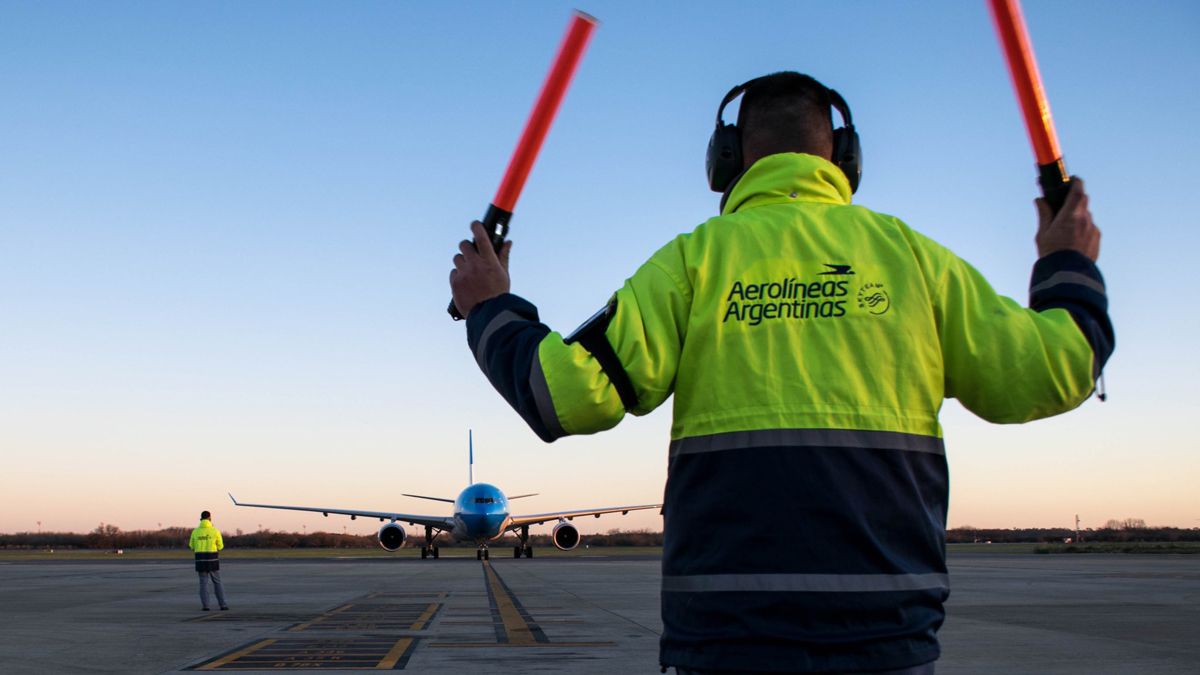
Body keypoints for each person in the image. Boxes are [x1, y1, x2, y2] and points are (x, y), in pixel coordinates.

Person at [449, 72, 1112, 674]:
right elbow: (1057, 368)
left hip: (728, 638)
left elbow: (563, 395)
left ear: (727, 159)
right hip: (885, 639)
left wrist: (492, 309)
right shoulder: (914, 262)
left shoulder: (694, 263)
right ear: (844, 158)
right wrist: (1067, 264)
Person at [189, 510, 228, 612]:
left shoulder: (195, 531)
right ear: (210, 518)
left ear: (201, 518)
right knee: (217, 582)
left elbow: (191, 546)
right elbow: (221, 546)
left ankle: (205, 606)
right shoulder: (215, 531)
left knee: (203, 583)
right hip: (212, 559)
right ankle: (223, 604)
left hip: (200, 560)